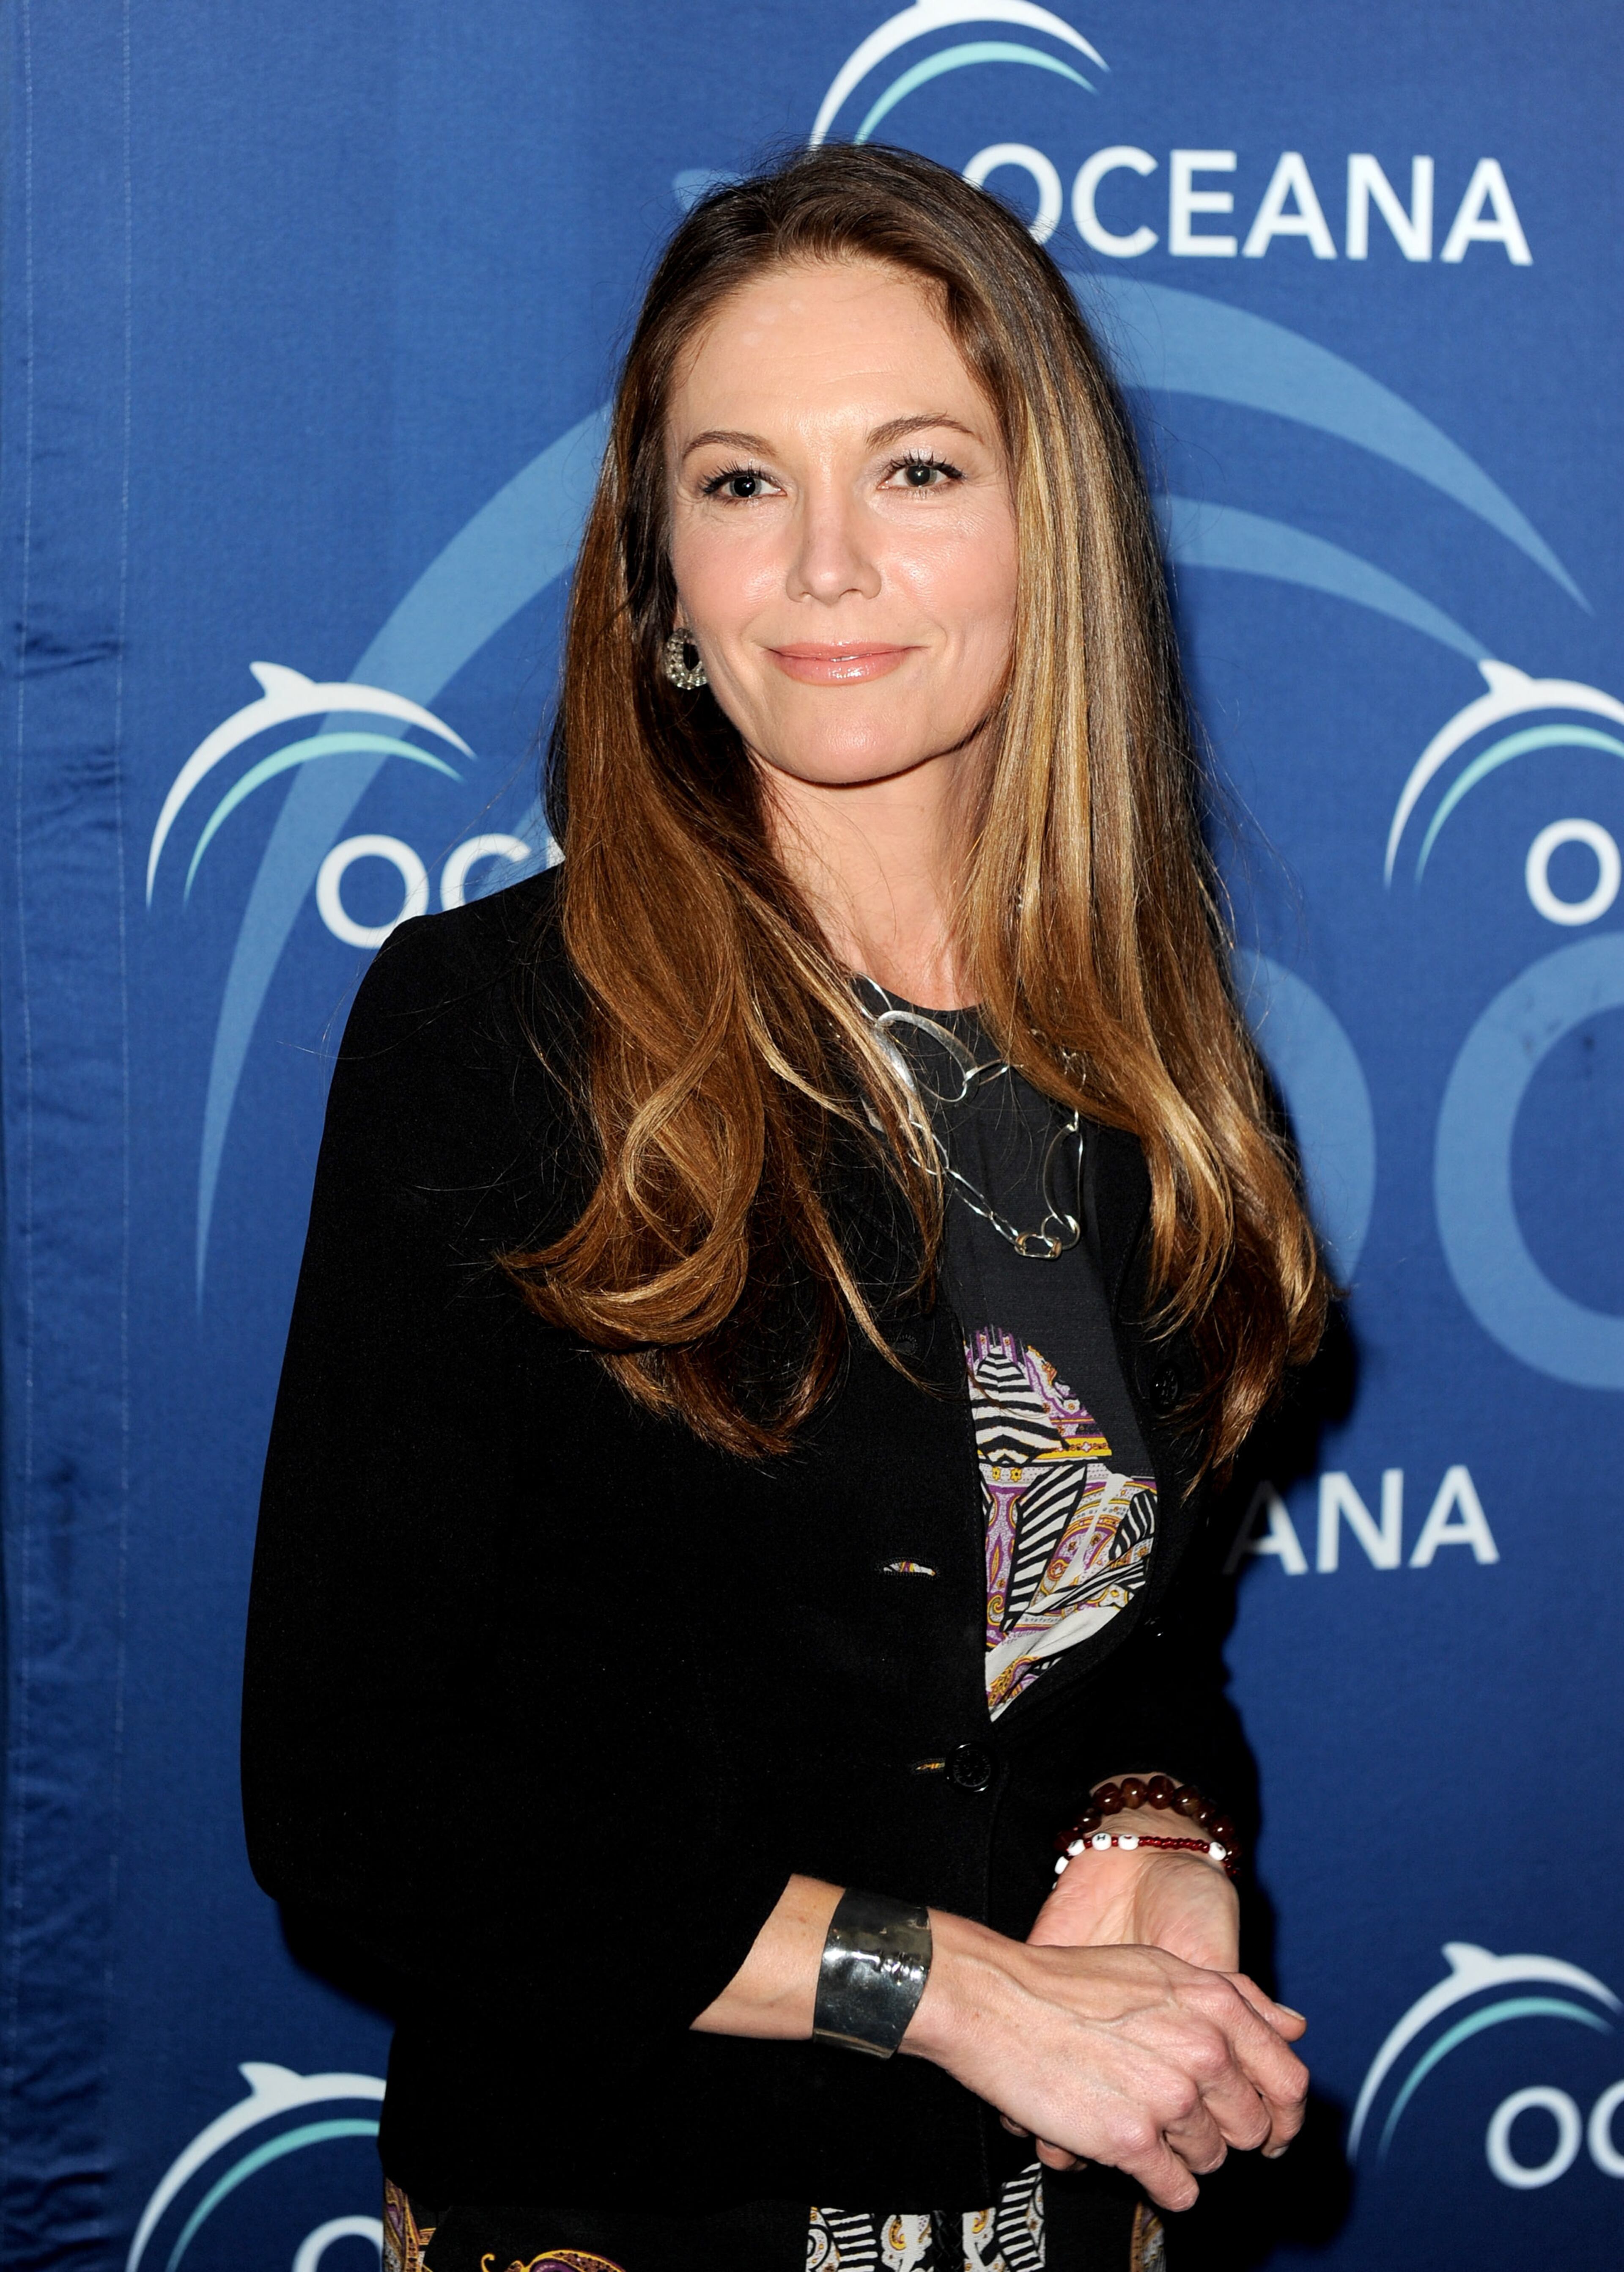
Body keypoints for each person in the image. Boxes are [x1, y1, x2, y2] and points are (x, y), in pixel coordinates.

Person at [242, 143, 1327, 2272]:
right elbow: (358, 1807)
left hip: (1070, 2220)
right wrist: (963, 1984)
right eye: (741, 485)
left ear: (1053, 536)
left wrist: (1161, 1834)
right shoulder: (495, 1028)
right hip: (631, 2208)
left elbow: (1125, 1648)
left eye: (919, 469)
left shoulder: (1162, 1075)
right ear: (659, 583)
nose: (826, 562)